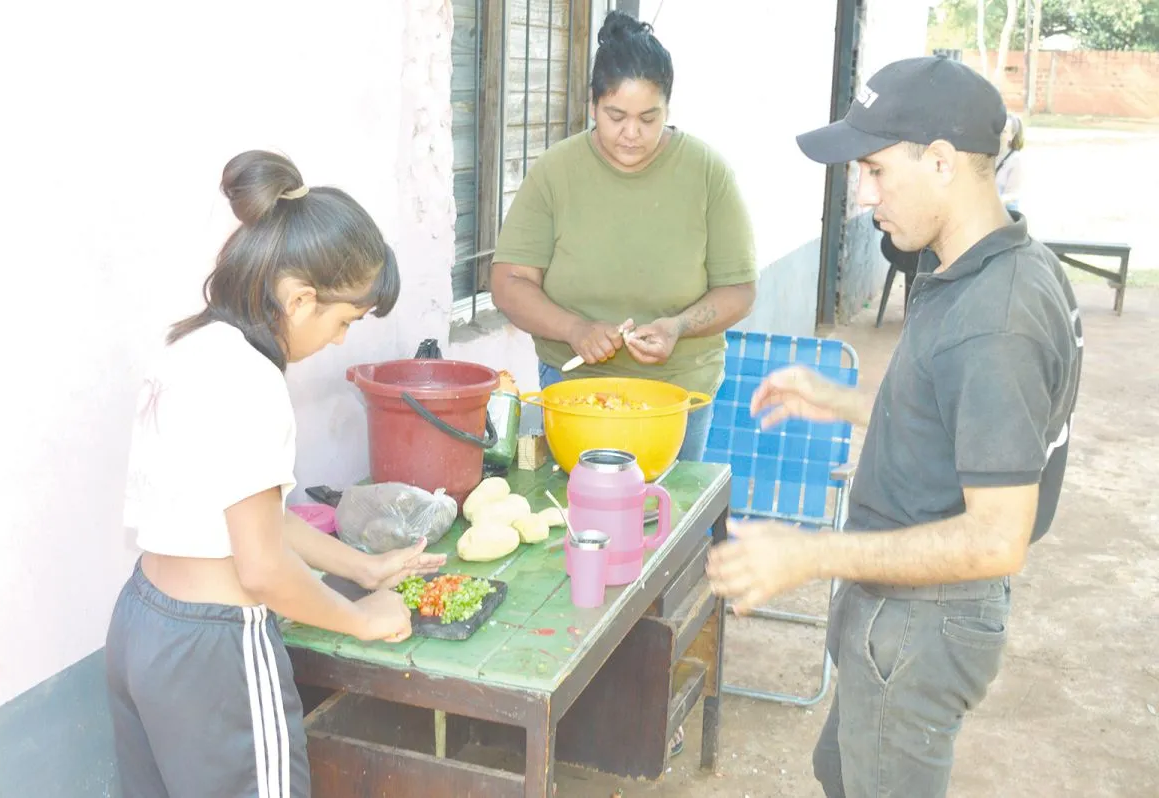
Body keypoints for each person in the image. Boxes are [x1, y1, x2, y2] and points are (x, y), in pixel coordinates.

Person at [706, 56, 1082, 797]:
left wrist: (811, 556)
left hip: (925, 621)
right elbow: (960, 418)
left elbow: (996, 537)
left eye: (877, 171)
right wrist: (844, 402)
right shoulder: (985, 266)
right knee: (844, 770)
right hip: (904, 608)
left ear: (941, 162)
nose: (866, 197)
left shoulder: (995, 321)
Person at [106, 150, 447, 798]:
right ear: (299, 299)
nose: (343, 339)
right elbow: (261, 567)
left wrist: (363, 569)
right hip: (214, 653)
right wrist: (362, 618)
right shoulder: (252, 381)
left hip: (141, 627)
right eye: (344, 320)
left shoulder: (195, 346)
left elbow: (254, 519)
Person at [491, 9, 757, 467]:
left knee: (668, 520)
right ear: (591, 105)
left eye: (648, 118)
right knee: (580, 515)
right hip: (573, 389)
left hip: (678, 393)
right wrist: (575, 330)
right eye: (615, 115)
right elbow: (509, 282)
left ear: (668, 109)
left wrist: (677, 327)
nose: (631, 133)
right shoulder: (556, 171)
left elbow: (739, 290)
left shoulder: (708, 173)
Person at [996, 112, 1025, 212]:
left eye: (1003, 131)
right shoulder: (988, 154)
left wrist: (993, 203)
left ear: (1011, 136)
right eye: (997, 130)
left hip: (1006, 210)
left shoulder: (1015, 159)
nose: (999, 134)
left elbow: (1013, 193)